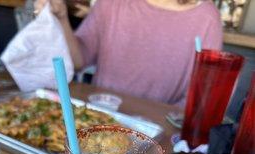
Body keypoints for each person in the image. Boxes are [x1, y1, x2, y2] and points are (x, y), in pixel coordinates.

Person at [34, 0, 223, 107]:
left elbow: (201, 96)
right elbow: (78, 60)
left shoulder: (206, 17)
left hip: (161, 138)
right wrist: (61, 19)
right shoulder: (111, 4)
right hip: (100, 118)